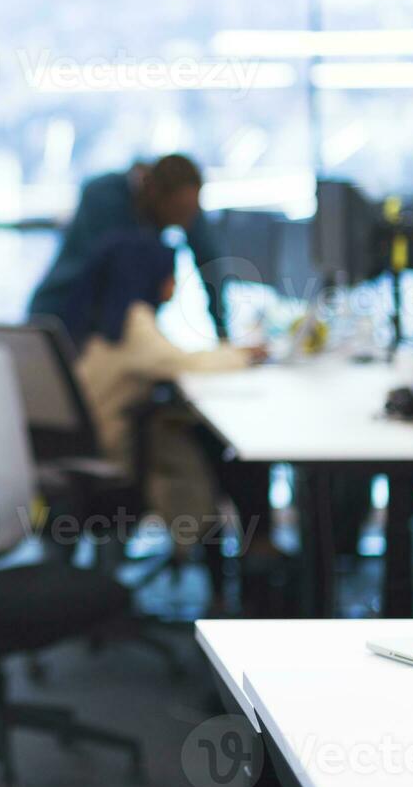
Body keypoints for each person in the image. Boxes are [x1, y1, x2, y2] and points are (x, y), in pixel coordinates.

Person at [67, 232, 260, 569]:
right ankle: (244, 556)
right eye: (170, 277)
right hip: (114, 451)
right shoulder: (132, 324)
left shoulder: (97, 317)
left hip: (81, 448)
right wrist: (243, 355)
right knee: (211, 450)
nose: (172, 288)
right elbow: (182, 363)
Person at [29, 154, 230, 341]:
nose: (186, 222)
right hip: (60, 317)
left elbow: (209, 263)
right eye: (180, 212)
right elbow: (114, 281)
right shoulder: (104, 198)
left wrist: (224, 336)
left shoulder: (180, 200)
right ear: (153, 192)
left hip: (110, 330)